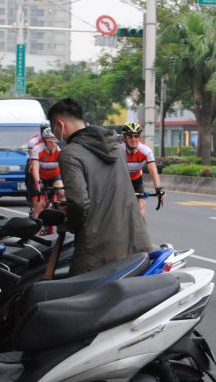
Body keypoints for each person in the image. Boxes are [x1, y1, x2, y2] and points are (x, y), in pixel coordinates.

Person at [48, 98, 151, 275]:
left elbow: (79, 203)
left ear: (59, 124)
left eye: (53, 129)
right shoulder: (116, 148)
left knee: (80, 296)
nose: (55, 135)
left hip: (98, 247)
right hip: (135, 239)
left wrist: (69, 222)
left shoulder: (70, 154)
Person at [122, 122, 165, 218]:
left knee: (141, 210)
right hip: (122, 181)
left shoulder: (146, 151)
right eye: (130, 136)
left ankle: (139, 230)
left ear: (139, 137)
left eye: (136, 136)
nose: (133, 139)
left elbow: (153, 171)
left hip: (137, 180)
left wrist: (159, 189)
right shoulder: (119, 150)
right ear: (125, 137)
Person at [29, 128, 64, 218]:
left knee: (61, 191)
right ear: (44, 142)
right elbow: (35, 168)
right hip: (39, 176)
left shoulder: (60, 150)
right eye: (50, 142)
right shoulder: (37, 148)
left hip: (54, 175)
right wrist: (37, 182)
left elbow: (65, 167)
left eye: (55, 142)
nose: (53, 144)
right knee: (39, 207)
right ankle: (37, 230)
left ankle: (60, 213)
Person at [25, 120, 52, 205]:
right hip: (35, 161)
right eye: (44, 129)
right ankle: (31, 194)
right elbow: (32, 157)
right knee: (30, 168)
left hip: (49, 162)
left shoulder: (54, 139)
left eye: (48, 129)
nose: (46, 131)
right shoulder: (33, 141)